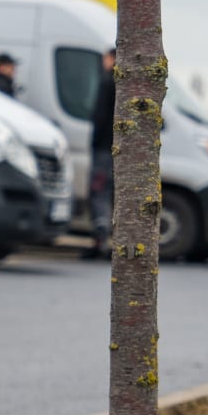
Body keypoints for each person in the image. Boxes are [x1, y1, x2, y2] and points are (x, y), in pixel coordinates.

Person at [86, 48, 116, 259]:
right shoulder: (125, 84)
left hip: (104, 150)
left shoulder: (108, 83)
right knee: (109, 194)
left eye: (106, 58)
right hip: (116, 149)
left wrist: (95, 143)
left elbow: (100, 117)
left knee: (99, 193)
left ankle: (100, 241)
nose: (103, 62)